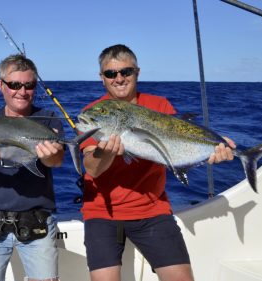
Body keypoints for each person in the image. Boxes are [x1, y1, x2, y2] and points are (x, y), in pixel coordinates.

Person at [79, 44, 236, 281]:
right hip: (102, 213)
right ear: (102, 78)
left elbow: (178, 142)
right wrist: (108, 153)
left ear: (137, 72)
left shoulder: (160, 105)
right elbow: (92, 167)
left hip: (153, 209)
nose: (119, 78)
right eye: (111, 73)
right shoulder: (95, 112)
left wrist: (214, 149)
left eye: (126, 72)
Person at [0, 54, 64, 281]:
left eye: (29, 85)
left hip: (37, 225)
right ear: (1, 85)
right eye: (14, 85)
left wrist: (50, 154)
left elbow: (56, 162)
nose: (22, 91)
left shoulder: (48, 120)